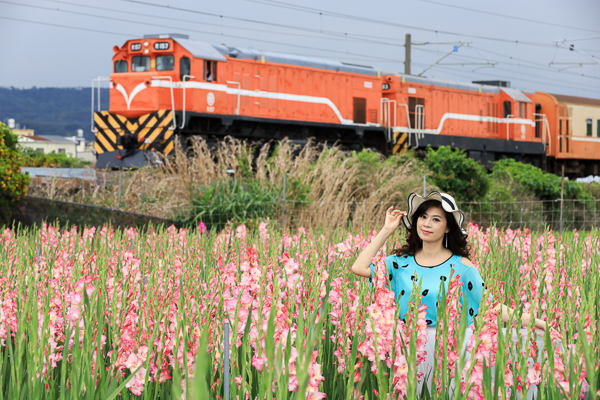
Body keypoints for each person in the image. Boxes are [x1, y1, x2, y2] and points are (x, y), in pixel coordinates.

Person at [350, 191, 548, 397]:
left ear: (447, 228)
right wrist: (386, 229)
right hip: (408, 349)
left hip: (451, 349)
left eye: (436, 219)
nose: (426, 224)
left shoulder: (462, 267)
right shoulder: (399, 263)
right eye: (423, 217)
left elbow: (491, 307)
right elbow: (358, 267)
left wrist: (536, 322)